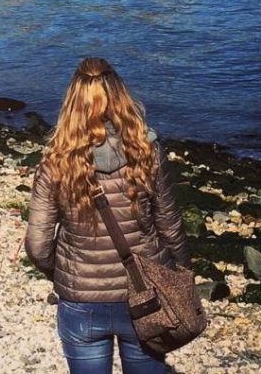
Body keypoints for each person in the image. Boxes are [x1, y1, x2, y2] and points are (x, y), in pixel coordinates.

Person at [25, 57, 190, 373]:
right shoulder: (148, 152)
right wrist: (182, 273)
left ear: (72, 102)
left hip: (81, 300)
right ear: (120, 95)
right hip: (146, 294)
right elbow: (170, 226)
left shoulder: (56, 162)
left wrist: (64, 275)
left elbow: (38, 244)